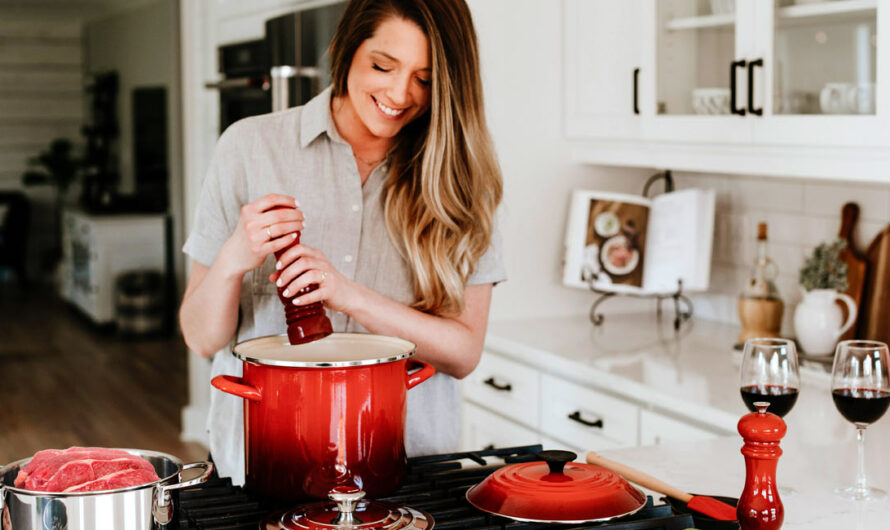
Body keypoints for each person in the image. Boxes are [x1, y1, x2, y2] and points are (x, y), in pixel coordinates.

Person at [179, 0, 504, 484]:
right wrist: (232, 260)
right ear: (347, 51)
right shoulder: (249, 147)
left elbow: (463, 353)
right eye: (382, 66)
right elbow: (201, 336)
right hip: (262, 468)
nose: (399, 93)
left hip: (406, 472)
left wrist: (347, 293)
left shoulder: (461, 180)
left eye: (425, 78)